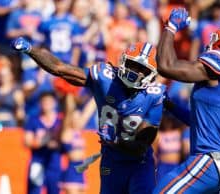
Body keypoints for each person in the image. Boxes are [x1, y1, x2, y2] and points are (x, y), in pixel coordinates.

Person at [12, 38, 165, 194]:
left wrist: (116, 142)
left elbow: (142, 144)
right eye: (133, 65)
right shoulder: (105, 77)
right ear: (124, 60)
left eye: (142, 69)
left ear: (151, 75)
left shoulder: (155, 95)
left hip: (139, 163)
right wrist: (30, 49)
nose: (135, 73)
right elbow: (59, 68)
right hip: (111, 160)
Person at [154, 8, 220, 194]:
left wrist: (170, 27)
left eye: (217, 39)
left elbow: (166, 66)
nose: (211, 42)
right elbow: (200, 122)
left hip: (208, 161)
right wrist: (169, 104)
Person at [24, 92, 62, 194]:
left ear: (55, 103)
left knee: (54, 190)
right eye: (44, 102)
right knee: (34, 190)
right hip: (37, 161)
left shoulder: (60, 120)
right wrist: (44, 141)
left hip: (55, 162)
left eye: (49, 102)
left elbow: (66, 140)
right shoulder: (33, 120)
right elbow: (27, 142)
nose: (46, 104)